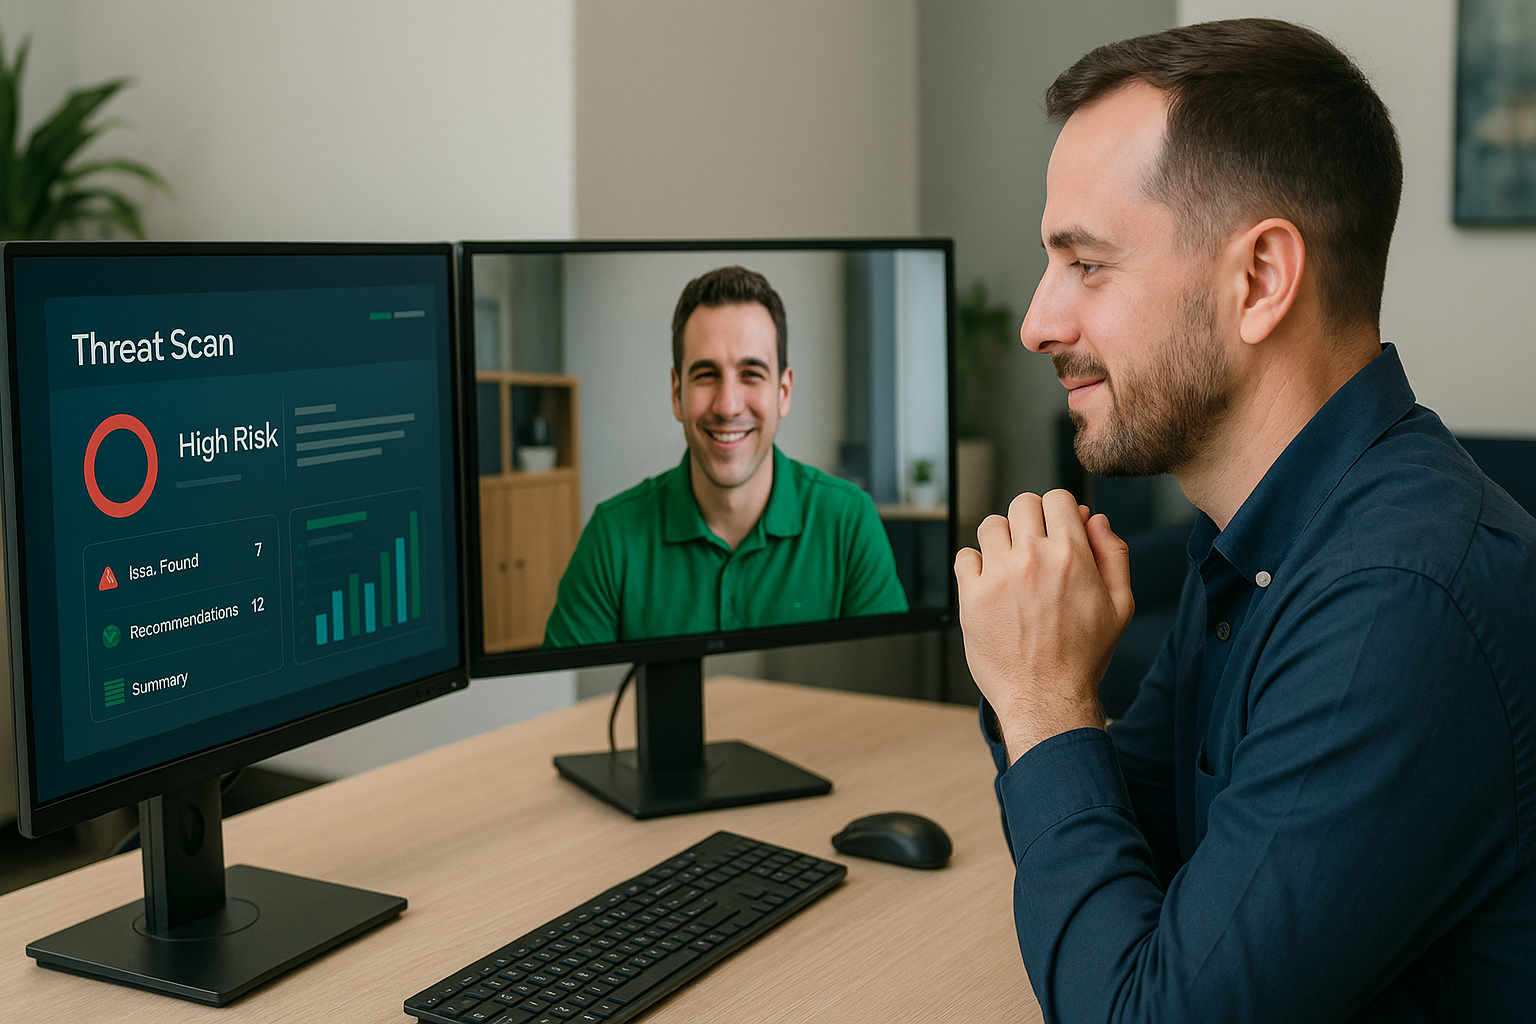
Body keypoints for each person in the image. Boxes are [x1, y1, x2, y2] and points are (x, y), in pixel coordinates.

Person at [954, 19, 1536, 1023]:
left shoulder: (1397, 604)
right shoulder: (1265, 543)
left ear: (1260, 279)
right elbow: (1140, 840)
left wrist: (1044, 698)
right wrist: (1038, 670)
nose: (1039, 322)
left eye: (1086, 265)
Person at [544, 265, 907, 647]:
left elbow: (886, 698)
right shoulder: (611, 536)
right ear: (676, 392)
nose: (728, 405)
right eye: (705, 374)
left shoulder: (849, 522)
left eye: (751, 373)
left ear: (783, 392)